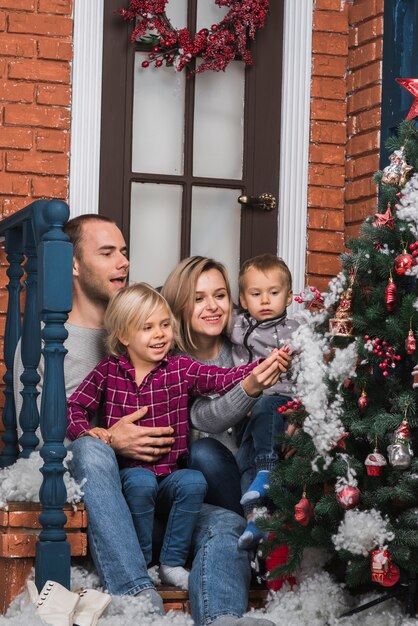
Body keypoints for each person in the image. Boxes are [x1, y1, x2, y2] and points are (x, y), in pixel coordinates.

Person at [15, 215, 279, 626]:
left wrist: (255, 378)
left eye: (124, 252)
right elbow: (37, 447)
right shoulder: (48, 346)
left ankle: (225, 617)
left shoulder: (162, 350)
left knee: (226, 521)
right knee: (90, 445)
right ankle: (136, 595)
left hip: (169, 495)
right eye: (107, 253)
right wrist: (107, 438)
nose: (122, 262)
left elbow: (211, 379)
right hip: (114, 500)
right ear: (73, 264)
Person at [67, 283, 283, 589]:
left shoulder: (180, 368)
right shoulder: (108, 371)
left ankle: (171, 562)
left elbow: (219, 378)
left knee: (193, 481)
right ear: (124, 336)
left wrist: (258, 369)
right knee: (141, 482)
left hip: (170, 476)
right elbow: (74, 406)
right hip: (131, 475)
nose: (159, 334)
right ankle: (142, 562)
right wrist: (89, 432)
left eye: (165, 325)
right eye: (148, 328)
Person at [161, 257, 294, 534]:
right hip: (217, 479)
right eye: (198, 298)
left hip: (262, 458)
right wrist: (249, 388)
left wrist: (298, 419)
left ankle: (274, 533)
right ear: (180, 304)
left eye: (220, 295)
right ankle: (254, 525)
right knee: (204, 452)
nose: (212, 306)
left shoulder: (246, 343)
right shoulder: (172, 361)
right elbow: (203, 417)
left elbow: (289, 384)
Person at [230, 254, 299, 550]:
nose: (265, 300)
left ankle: (268, 471)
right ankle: (254, 520)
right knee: (244, 461)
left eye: (274, 293)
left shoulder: (296, 331)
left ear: (289, 297)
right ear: (243, 300)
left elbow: (312, 372)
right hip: (249, 412)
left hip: (281, 403)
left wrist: (302, 409)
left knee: (266, 407)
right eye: (256, 294)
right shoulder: (235, 326)